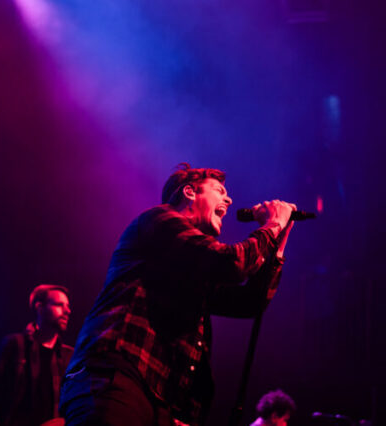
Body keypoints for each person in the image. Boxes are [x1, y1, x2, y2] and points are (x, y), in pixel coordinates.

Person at [60, 163, 296, 426]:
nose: (229, 200)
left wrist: (277, 246)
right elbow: (232, 264)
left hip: (159, 397)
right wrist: (272, 225)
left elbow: (249, 303)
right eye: (219, 191)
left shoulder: (193, 262)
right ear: (190, 192)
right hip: (115, 376)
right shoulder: (159, 220)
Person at [0, 284, 74, 426]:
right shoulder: (15, 345)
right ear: (39, 308)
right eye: (59, 305)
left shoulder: (69, 355)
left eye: (67, 306)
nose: (67, 311)